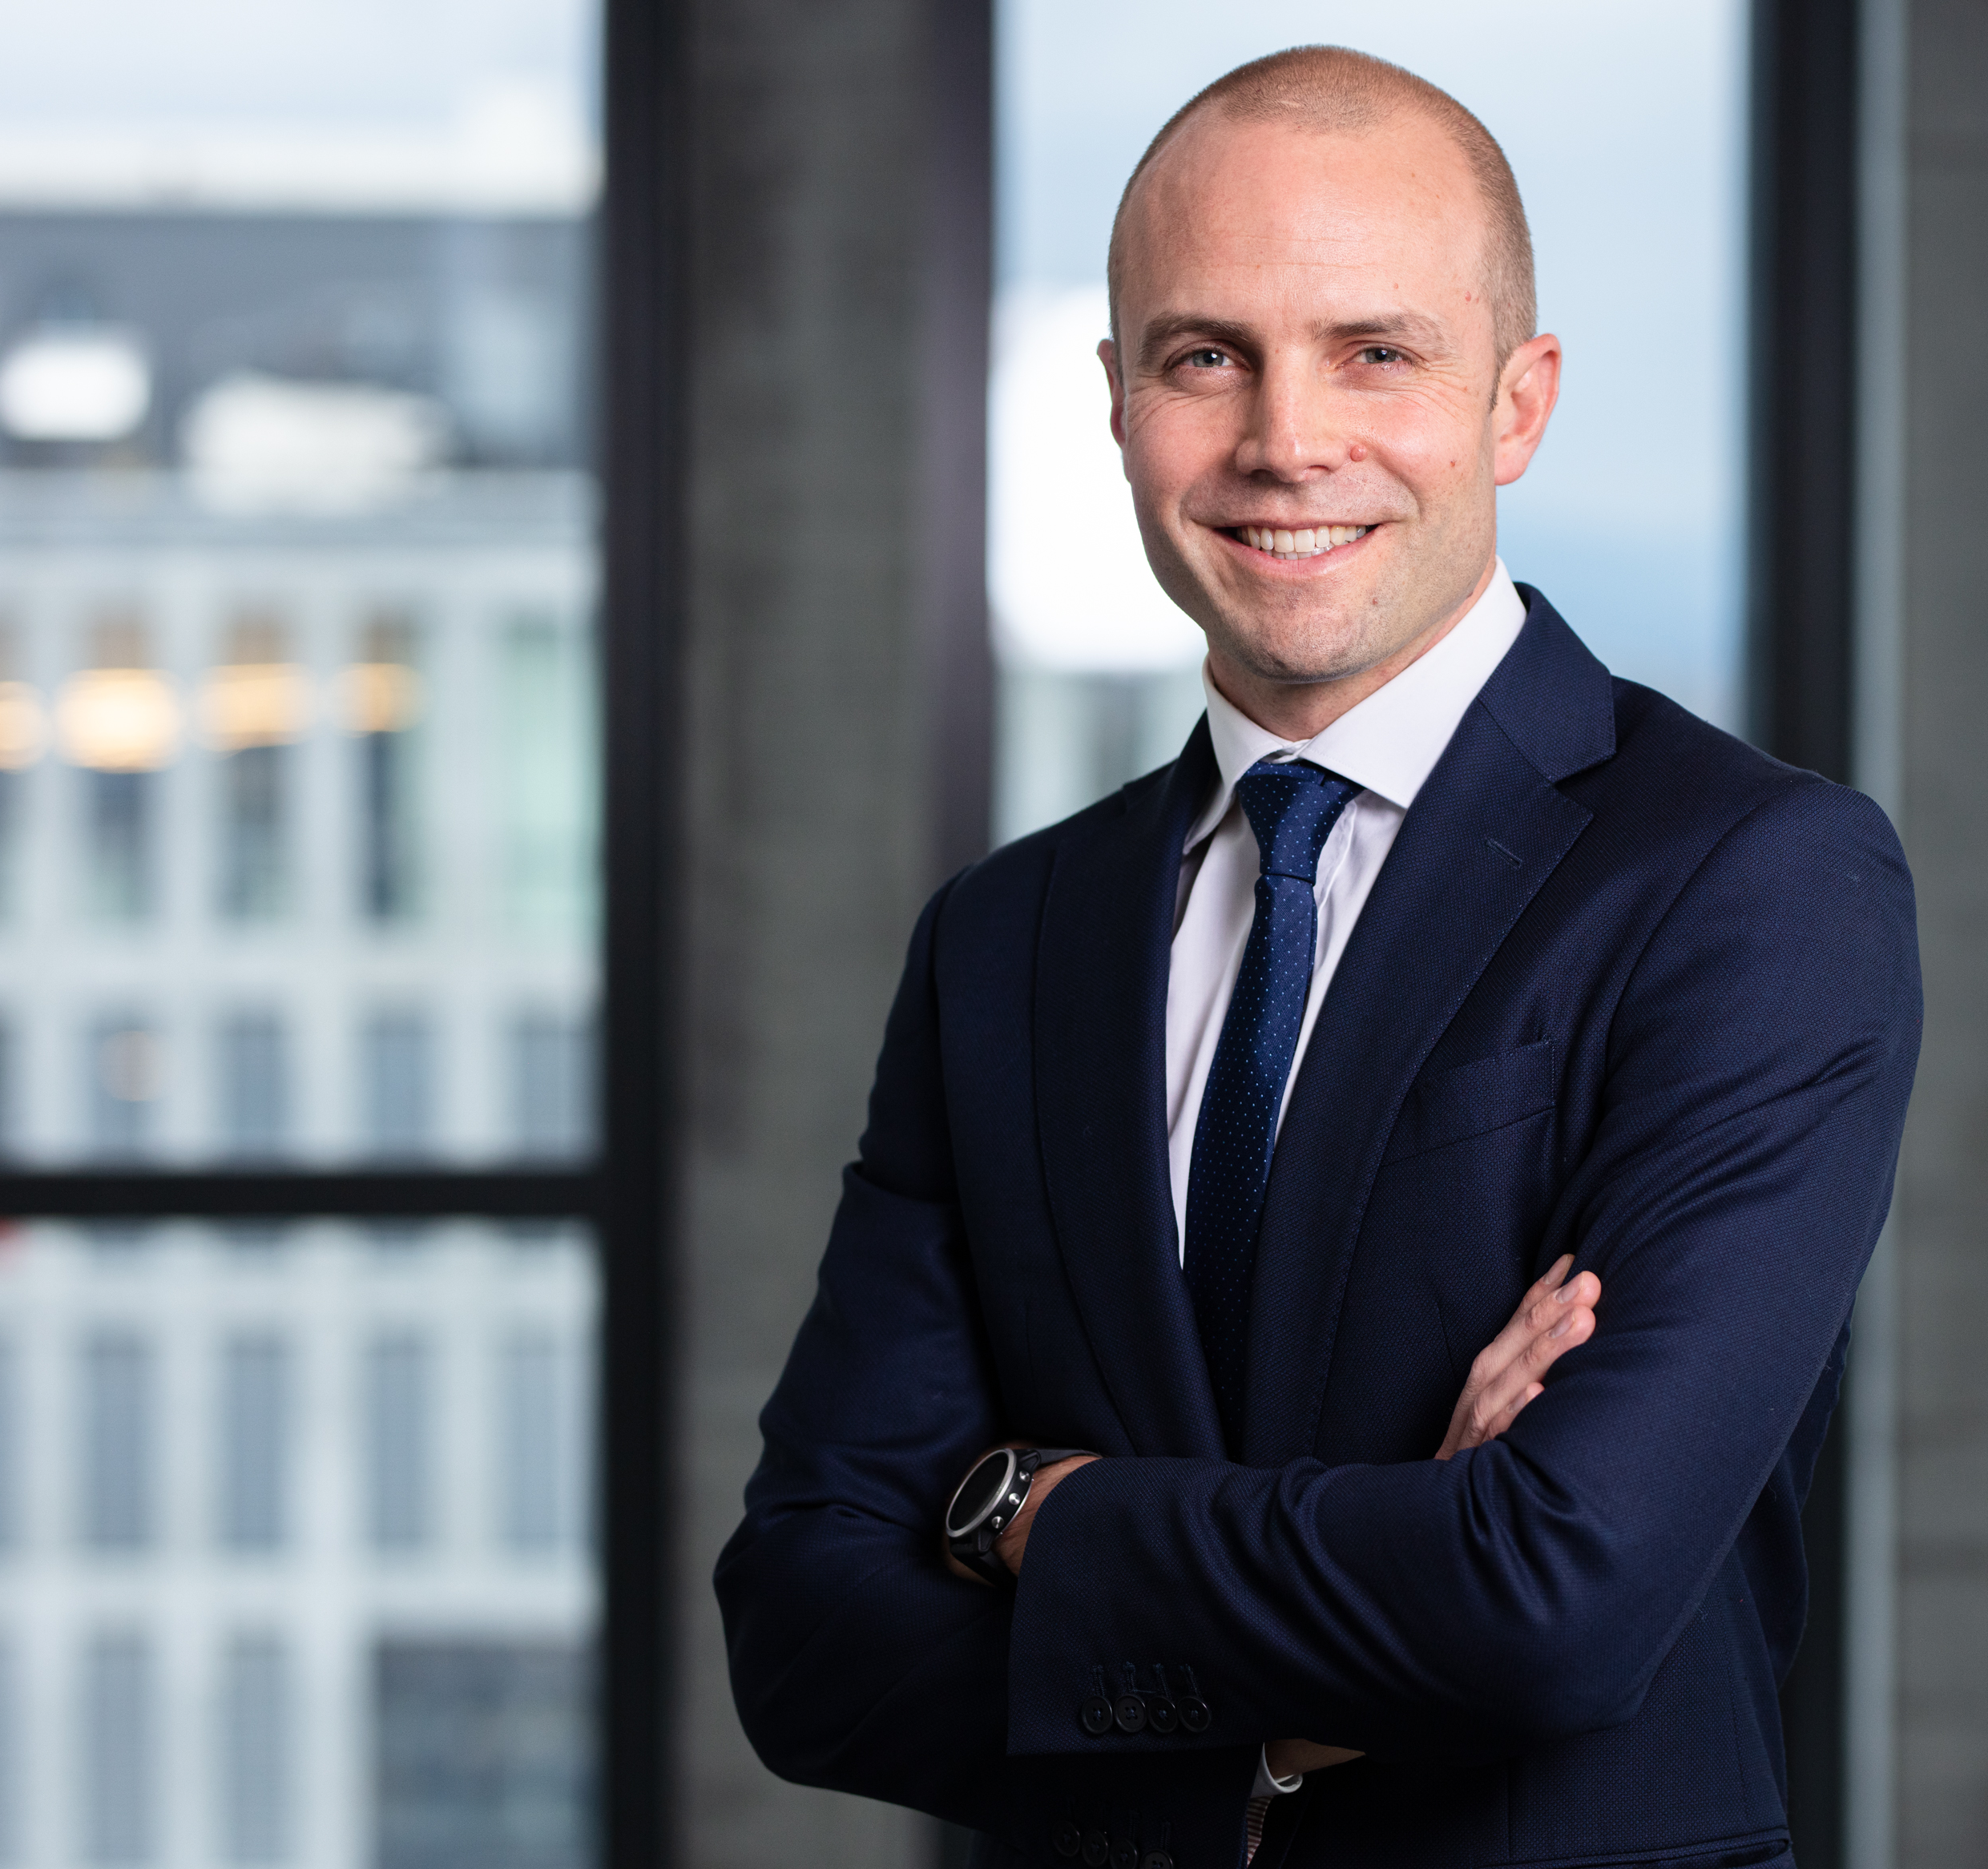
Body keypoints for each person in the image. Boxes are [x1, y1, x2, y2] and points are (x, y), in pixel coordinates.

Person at [716, 43, 1921, 1869]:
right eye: (1207, 357)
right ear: (1117, 401)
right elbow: (805, 1633)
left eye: (1376, 353)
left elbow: (1555, 1598)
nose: (1286, 440)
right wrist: (1300, 1701)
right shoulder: (1007, 937)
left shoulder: (1748, 881)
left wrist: (1031, 1510)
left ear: (1517, 404)